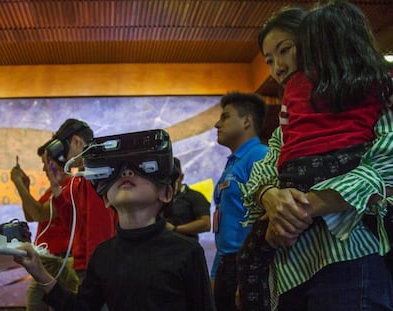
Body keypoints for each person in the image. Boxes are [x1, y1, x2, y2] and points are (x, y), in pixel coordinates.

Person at [238, 2, 393, 310]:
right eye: (269, 59)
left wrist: (302, 207)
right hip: (289, 267)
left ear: (313, 46)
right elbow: (263, 171)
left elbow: (387, 167)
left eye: (286, 50)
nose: (278, 66)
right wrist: (270, 196)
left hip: (349, 255)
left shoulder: (374, 91)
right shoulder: (293, 111)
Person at [13, 129, 216, 311]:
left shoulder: (186, 252)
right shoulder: (104, 255)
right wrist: (39, 272)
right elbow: (82, 308)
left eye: (139, 169)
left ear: (165, 193)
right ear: (106, 199)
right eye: (117, 172)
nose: (126, 172)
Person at [211, 91, 268, 311]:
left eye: (225, 117)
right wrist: (216, 272)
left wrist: (250, 273)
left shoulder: (260, 156)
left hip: (249, 264)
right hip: (229, 264)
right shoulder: (234, 162)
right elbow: (225, 223)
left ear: (247, 120)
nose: (217, 124)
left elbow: (266, 220)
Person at [43, 118, 118, 283]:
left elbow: (100, 230)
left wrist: (95, 271)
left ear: (77, 141)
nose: (64, 157)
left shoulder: (96, 176)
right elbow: (74, 223)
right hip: (86, 266)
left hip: (95, 269)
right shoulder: (82, 179)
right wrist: (56, 188)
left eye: (65, 149)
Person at [10, 140, 79, 311]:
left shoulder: (71, 186)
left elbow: (39, 213)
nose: (43, 170)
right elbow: (32, 216)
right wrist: (25, 187)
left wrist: (19, 185)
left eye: (46, 164)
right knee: (35, 304)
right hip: (49, 261)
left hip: (62, 261)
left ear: (59, 162)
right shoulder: (53, 189)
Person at [164, 157, 211, 240]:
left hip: (186, 246)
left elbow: (205, 224)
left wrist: (175, 229)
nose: (170, 182)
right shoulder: (159, 197)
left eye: (174, 178)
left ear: (181, 177)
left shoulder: (194, 196)